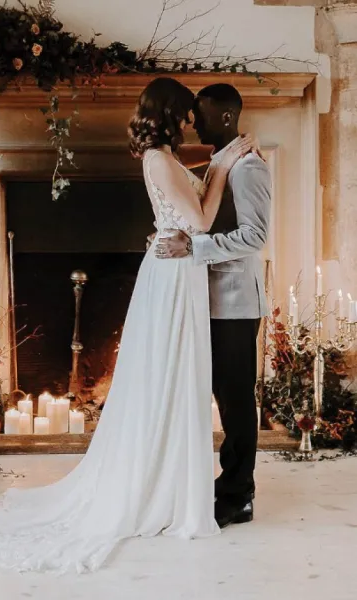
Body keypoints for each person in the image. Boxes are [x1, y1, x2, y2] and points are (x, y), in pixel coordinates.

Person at [0, 77, 256, 574]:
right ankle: (158, 485)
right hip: (175, 273)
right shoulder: (159, 158)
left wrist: (215, 165)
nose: (188, 121)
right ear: (167, 113)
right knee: (167, 379)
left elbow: (183, 191)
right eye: (183, 113)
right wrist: (223, 165)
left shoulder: (164, 158)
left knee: (173, 380)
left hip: (179, 271)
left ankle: (170, 478)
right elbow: (200, 221)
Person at [154, 83, 272, 529]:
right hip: (211, 300)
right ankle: (224, 485)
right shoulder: (225, 163)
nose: (193, 122)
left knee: (236, 400)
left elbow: (255, 236)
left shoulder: (249, 168)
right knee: (222, 396)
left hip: (236, 303)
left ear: (224, 117)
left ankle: (239, 495)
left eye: (200, 115)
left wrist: (194, 247)